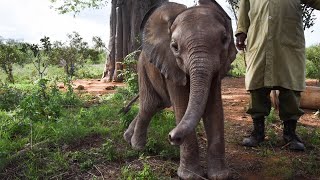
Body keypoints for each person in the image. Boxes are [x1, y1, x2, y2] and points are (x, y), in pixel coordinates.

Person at [235, 0, 320, 151]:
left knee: (290, 86)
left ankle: (290, 134)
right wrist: (241, 31)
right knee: (257, 86)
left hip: (289, 40)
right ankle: (258, 133)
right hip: (259, 39)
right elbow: (244, 7)